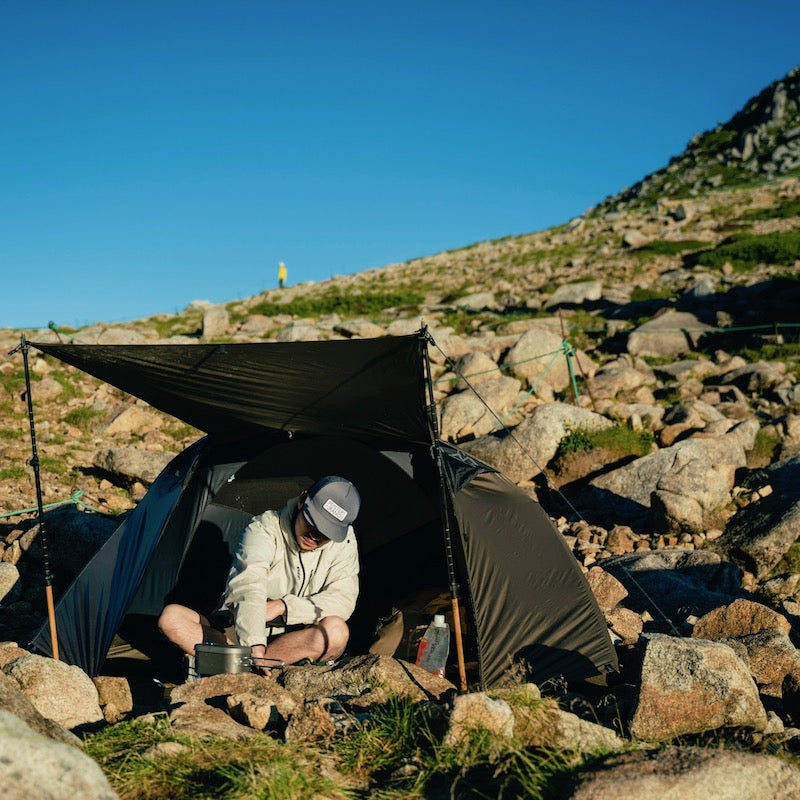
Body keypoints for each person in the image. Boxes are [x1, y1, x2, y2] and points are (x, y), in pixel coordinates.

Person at [158, 475, 361, 675]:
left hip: (297, 642)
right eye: (313, 523)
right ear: (301, 501)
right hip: (240, 634)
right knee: (172, 618)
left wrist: (284, 606)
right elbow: (248, 586)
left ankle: (235, 667)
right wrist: (254, 645)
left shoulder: (344, 543)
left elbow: (343, 599)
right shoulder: (264, 528)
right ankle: (254, 667)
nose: (315, 536)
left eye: (327, 532)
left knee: (336, 632)